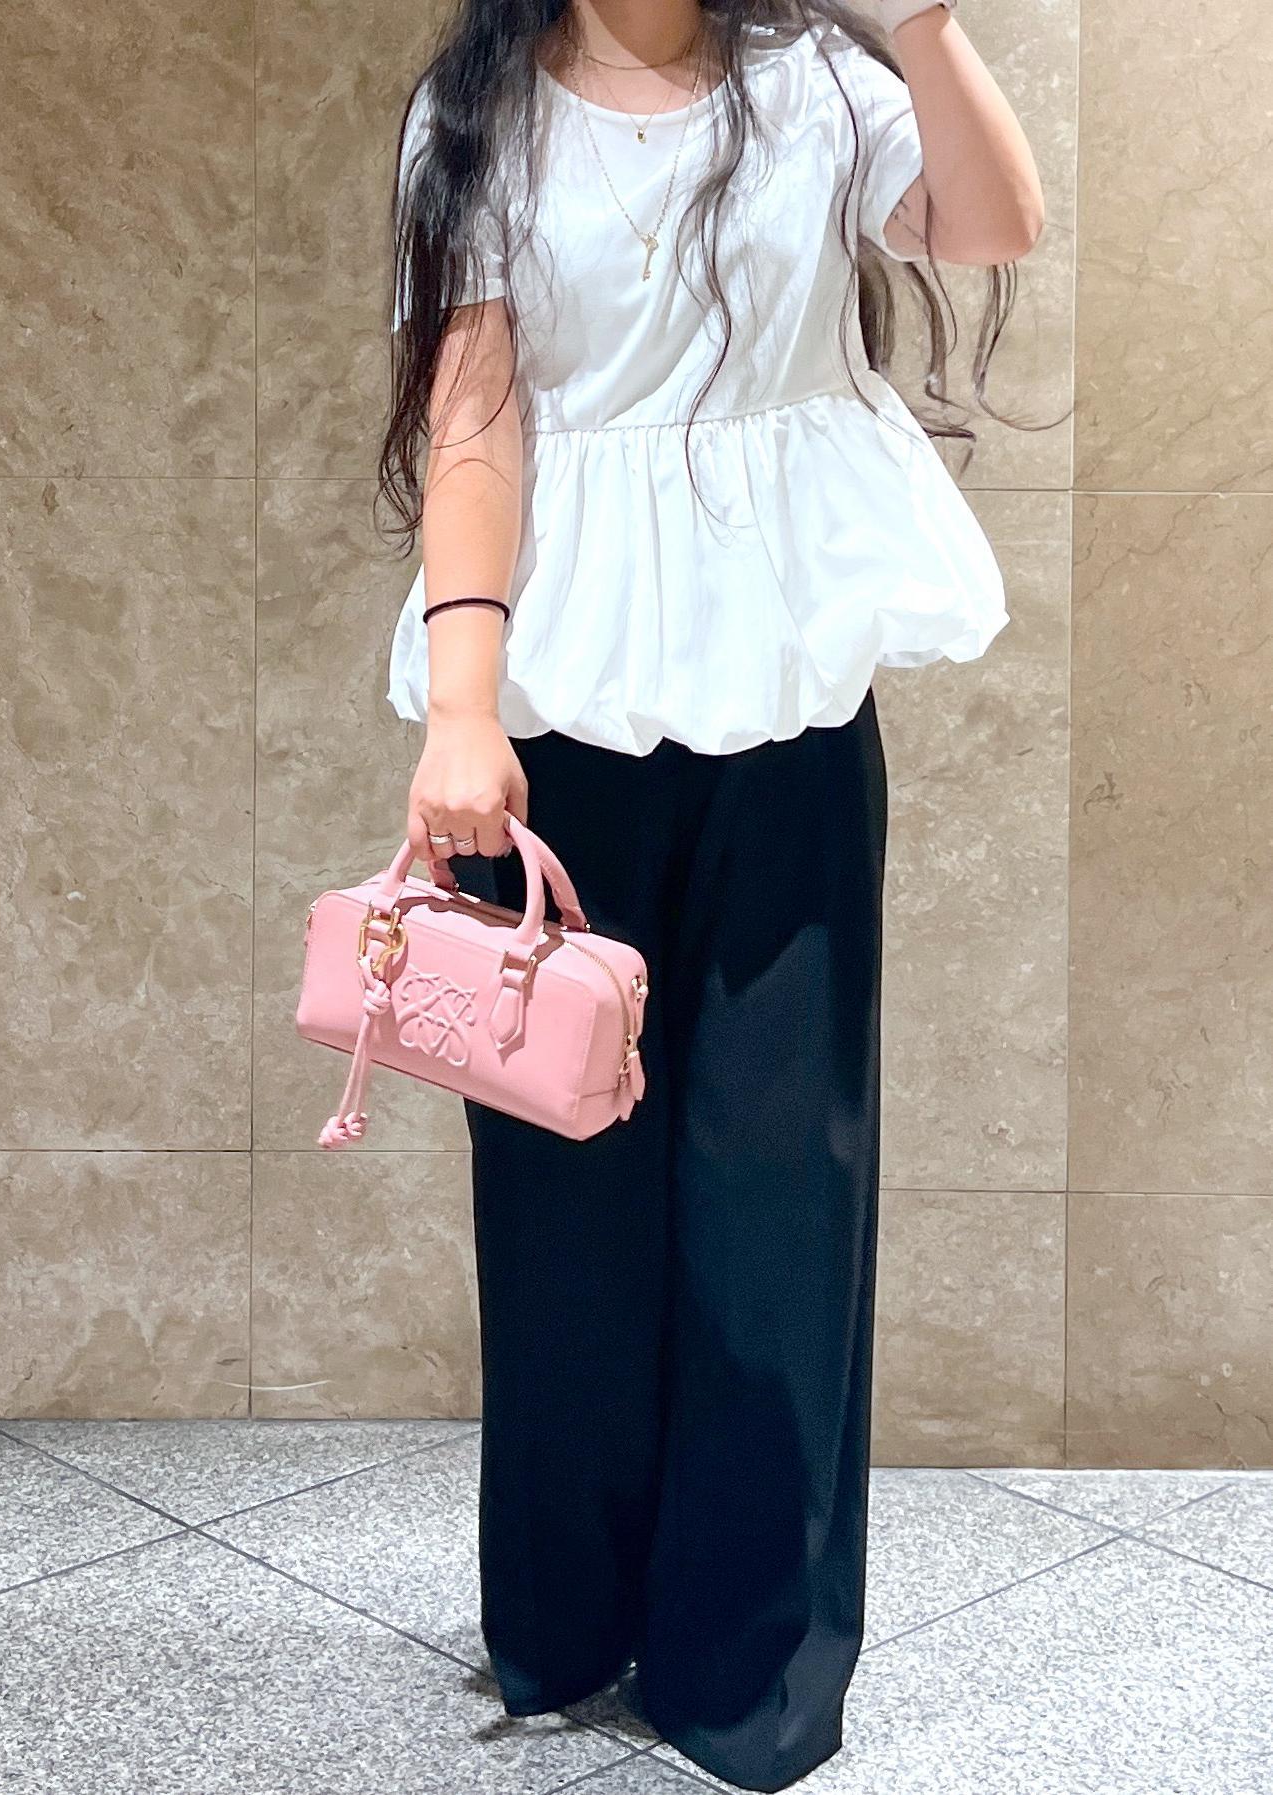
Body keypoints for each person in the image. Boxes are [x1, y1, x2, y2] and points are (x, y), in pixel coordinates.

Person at [379, 3, 1043, 1788]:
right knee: (560, 1195)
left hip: (785, 700)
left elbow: (991, 224)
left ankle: (749, 1670)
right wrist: (458, 709)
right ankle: (565, 1621)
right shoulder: (477, 108)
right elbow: (472, 413)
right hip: (554, 720)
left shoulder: (815, 85)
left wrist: (922, 25)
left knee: (780, 1194)